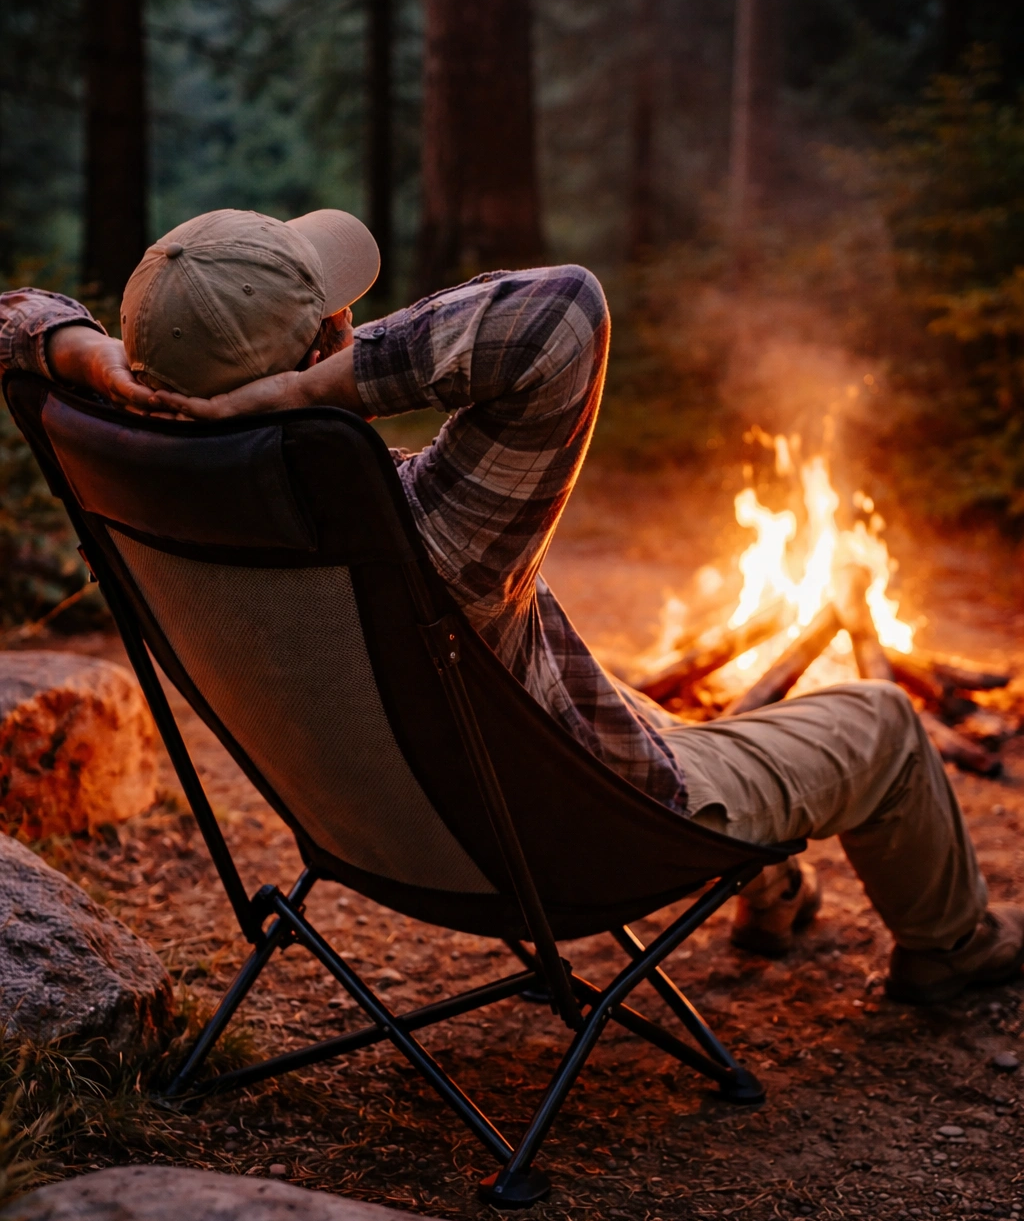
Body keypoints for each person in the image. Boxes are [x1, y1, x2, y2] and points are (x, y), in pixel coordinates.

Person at [2, 207, 1022, 1007]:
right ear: (328, 337)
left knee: (685, 718)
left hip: (369, 834)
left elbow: (16, 317)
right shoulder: (420, 530)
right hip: (570, 838)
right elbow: (557, 314)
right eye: (334, 317)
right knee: (880, 722)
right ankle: (952, 950)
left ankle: (770, 891)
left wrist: (107, 373)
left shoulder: (143, 478)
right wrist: (305, 397)